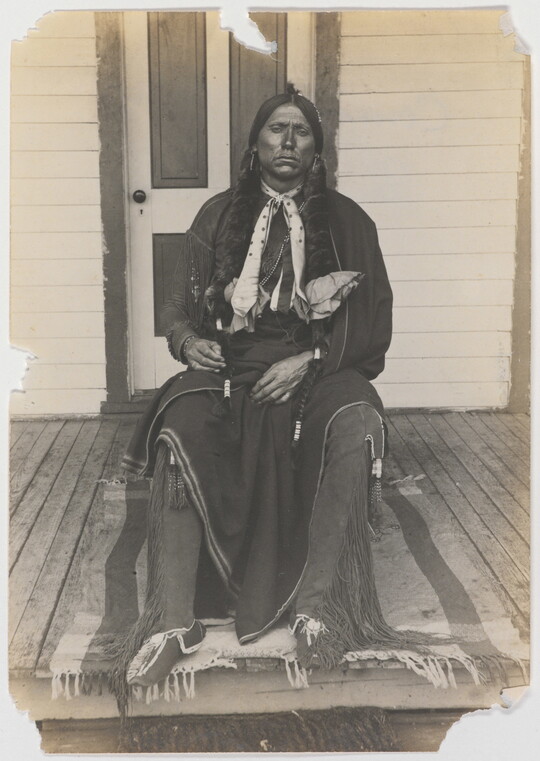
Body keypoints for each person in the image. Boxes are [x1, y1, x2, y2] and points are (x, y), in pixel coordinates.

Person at [115, 85, 415, 701]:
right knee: (179, 422)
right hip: (233, 360)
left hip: (322, 364)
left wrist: (310, 358)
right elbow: (177, 300)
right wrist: (182, 339)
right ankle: (176, 623)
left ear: (316, 148)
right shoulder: (218, 216)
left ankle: (316, 608)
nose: (287, 141)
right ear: (253, 145)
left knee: (357, 421)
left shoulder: (351, 222)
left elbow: (374, 323)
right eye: (275, 130)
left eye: (300, 131)